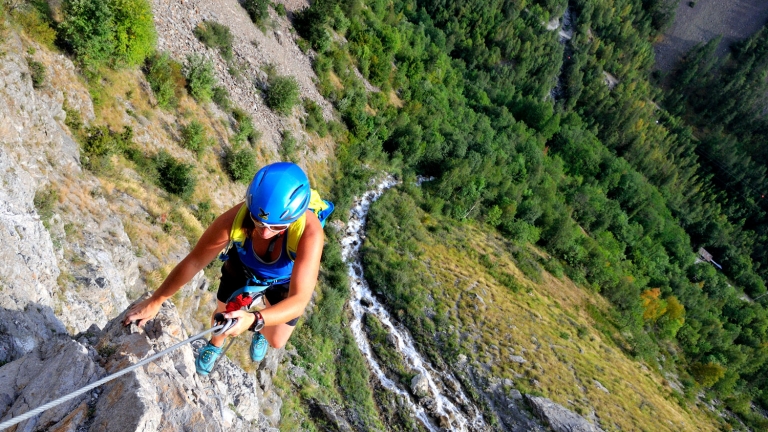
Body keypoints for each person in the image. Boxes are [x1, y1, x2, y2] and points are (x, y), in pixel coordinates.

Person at [124, 162, 325, 375]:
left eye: (276, 227)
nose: (265, 233)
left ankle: (261, 328)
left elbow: (299, 300)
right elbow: (195, 261)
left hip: (283, 280)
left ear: (296, 217)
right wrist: (156, 301)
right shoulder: (235, 220)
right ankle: (214, 346)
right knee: (224, 316)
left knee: (276, 340)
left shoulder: (309, 234)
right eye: (258, 221)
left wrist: (254, 319)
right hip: (243, 267)